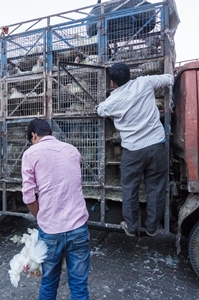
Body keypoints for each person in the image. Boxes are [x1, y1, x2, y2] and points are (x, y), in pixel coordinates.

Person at [96, 62, 174, 237]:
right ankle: (152, 227)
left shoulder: (112, 101)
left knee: (130, 188)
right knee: (155, 187)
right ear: (129, 74)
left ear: (112, 83)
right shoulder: (144, 83)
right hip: (156, 146)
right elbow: (169, 79)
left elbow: (100, 110)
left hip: (133, 151)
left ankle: (131, 227)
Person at [22, 119, 90, 300]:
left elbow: (28, 196)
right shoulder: (72, 150)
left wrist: (41, 217)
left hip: (51, 231)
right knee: (79, 286)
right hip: (78, 228)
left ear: (34, 135)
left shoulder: (30, 154)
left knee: (49, 283)